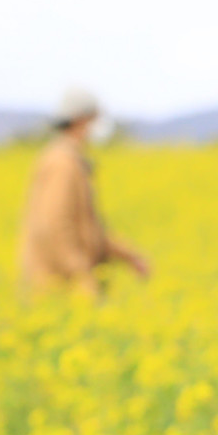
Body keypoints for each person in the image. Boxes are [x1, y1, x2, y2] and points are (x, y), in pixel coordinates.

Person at [19, 87, 151, 299]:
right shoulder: (63, 164)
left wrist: (128, 256)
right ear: (81, 120)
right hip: (58, 290)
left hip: (65, 289)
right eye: (95, 119)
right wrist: (81, 274)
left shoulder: (70, 160)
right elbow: (57, 225)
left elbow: (89, 229)